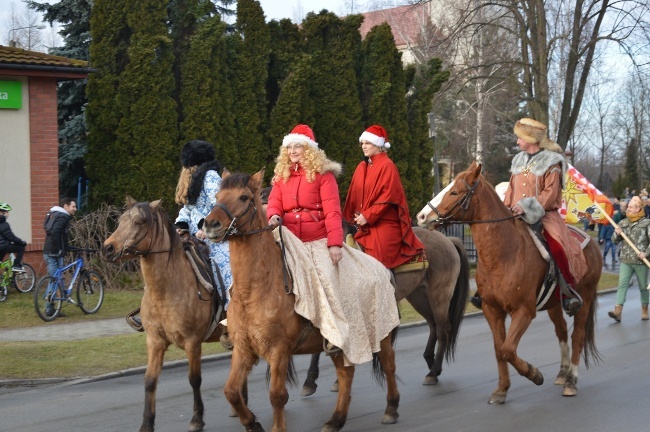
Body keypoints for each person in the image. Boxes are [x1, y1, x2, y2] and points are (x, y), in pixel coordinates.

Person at [266, 124, 399, 364]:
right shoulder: (280, 176)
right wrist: (273, 215)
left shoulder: (323, 175)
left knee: (326, 278)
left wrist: (335, 243)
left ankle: (333, 334)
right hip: (287, 237)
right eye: (290, 146)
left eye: (298, 146)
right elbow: (274, 202)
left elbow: (333, 212)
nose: (293, 151)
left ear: (309, 149)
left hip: (315, 239)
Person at [471, 118, 587, 315]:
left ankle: (567, 293)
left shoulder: (552, 162)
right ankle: (485, 290)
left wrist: (526, 207)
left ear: (530, 139)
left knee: (557, 247)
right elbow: (511, 190)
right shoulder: (518, 161)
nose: (517, 142)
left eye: (519, 138)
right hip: (515, 216)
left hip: (544, 216)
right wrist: (506, 209)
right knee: (494, 245)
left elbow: (550, 195)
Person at [126, 140, 233, 332]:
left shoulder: (209, 178)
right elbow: (187, 208)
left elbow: (219, 207)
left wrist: (206, 230)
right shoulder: (192, 180)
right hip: (191, 235)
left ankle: (230, 320)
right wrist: (179, 227)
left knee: (226, 270)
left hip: (214, 236)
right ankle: (150, 312)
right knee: (163, 266)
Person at [342, 124, 425, 269]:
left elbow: (388, 197)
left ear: (379, 145)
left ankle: (385, 286)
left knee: (376, 260)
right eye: (362, 143)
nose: (364, 146)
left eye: (368, 143)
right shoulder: (362, 167)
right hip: (364, 223)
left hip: (384, 223)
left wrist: (367, 216)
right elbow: (354, 195)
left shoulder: (387, 165)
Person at [608, 195, 650, 322]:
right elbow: (614, 241)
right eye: (628, 207)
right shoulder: (623, 222)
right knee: (622, 285)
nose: (628, 209)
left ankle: (644, 309)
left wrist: (646, 253)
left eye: (631, 207)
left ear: (638, 208)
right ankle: (618, 310)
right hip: (626, 260)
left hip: (641, 261)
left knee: (643, 286)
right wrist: (617, 233)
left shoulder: (646, 223)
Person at [43, 198, 77, 277]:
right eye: (73, 206)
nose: (75, 209)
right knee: (55, 279)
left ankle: (57, 289)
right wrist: (56, 250)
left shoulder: (55, 215)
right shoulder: (62, 217)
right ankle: (52, 290)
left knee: (56, 280)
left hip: (48, 250)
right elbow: (55, 232)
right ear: (66, 206)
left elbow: (61, 235)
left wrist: (66, 247)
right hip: (54, 253)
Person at [0, 202, 27, 272]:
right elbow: (11, 237)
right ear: (2, 213)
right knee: (21, 247)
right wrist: (21, 242)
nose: (8, 214)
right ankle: (17, 265)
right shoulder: (4, 224)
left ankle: (8, 281)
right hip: (3, 246)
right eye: (7, 212)